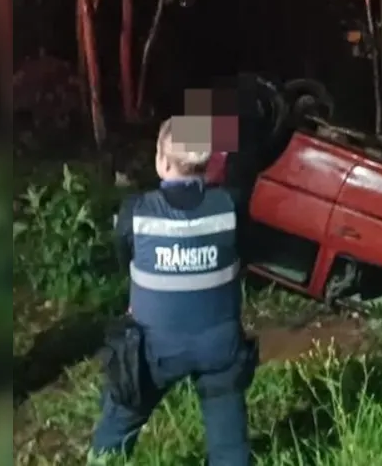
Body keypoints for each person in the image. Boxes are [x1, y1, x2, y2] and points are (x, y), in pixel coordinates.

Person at [89, 116, 257, 466]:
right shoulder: (231, 205)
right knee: (230, 445)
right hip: (220, 346)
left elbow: (126, 261)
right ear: (209, 163)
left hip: (153, 349)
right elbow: (243, 252)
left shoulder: (134, 211)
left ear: (161, 162)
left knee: (118, 422)